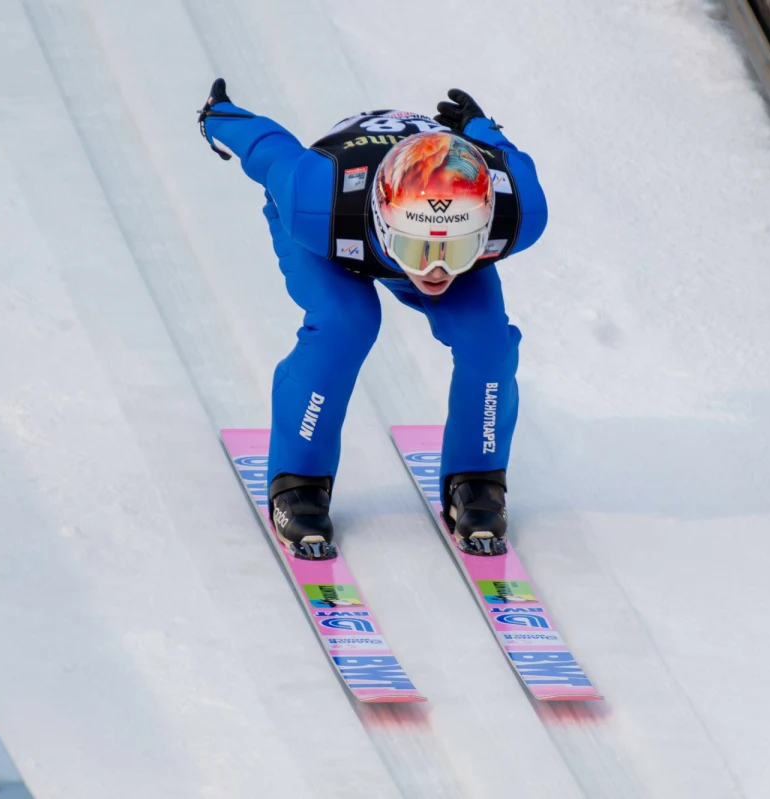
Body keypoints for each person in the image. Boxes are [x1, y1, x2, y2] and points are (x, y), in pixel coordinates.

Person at [199, 79, 547, 559]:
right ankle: (297, 478)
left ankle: (479, 477)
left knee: (488, 342)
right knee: (346, 323)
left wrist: (480, 127)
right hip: (339, 238)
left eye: (458, 248)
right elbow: (270, 151)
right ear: (384, 221)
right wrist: (220, 117)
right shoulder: (317, 199)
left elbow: (501, 155)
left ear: (486, 224)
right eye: (416, 249)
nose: (435, 270)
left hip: (379, 225)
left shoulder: (518, 207)